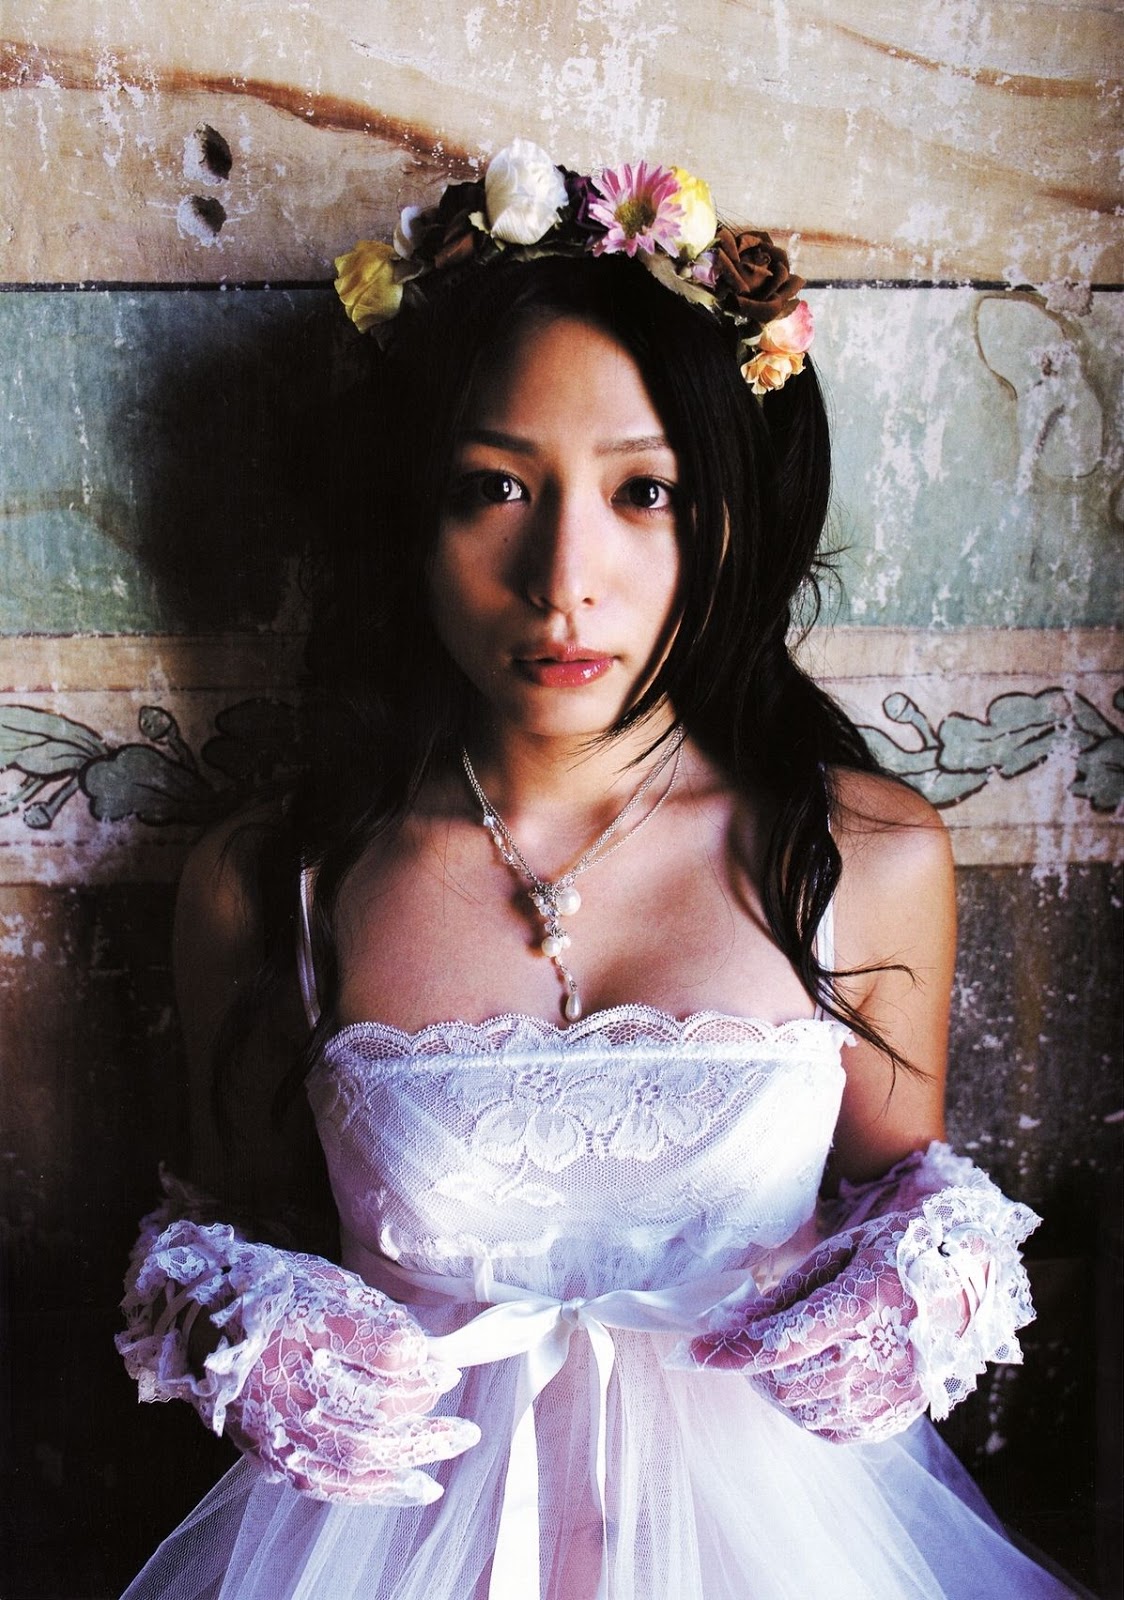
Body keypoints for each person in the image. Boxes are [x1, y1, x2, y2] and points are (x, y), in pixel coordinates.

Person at [116, 140, 1080, 1599]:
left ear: (732, 516)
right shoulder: (275, 883)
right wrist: (237, 1320)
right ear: (408, 517)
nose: (564, 578)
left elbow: (907, 1188)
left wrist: (930, 1277)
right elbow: (221, 1224)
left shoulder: (861, 856)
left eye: (646, 494)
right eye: (495, 487)